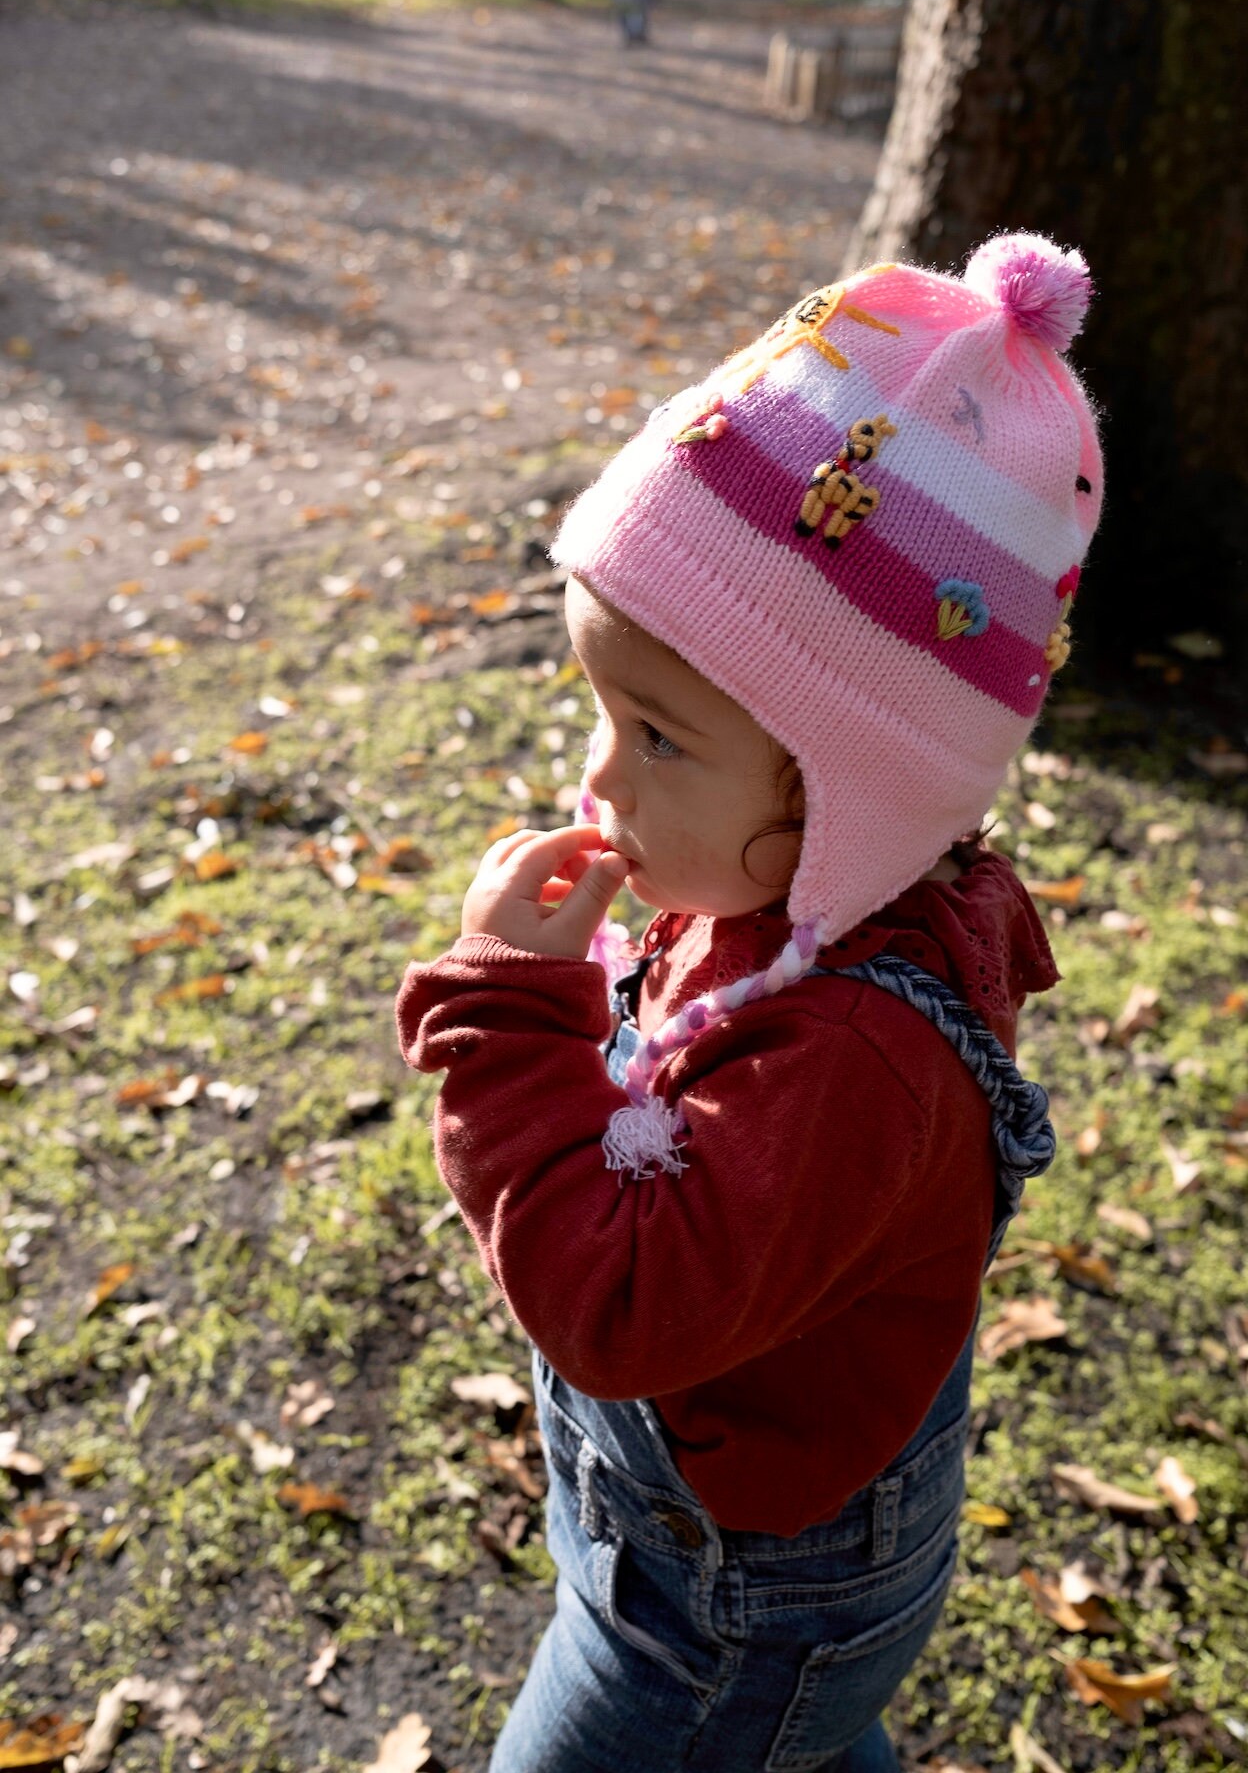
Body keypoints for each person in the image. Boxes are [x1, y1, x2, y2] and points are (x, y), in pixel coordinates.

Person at [396, 233, 1103, 1772]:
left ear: (855, 792)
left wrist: (509, 1019)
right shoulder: (781, 902)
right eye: (602, 710)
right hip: (726, 1548)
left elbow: (624, 1307)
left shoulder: (855, 1052)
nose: (597, 776)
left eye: (656, 736)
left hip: (731, 1612)